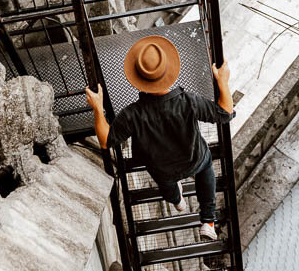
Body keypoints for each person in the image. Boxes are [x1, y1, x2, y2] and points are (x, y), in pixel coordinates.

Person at [85, 34, 234, 242]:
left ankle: (177, 201)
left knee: (167, 185)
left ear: (139, 79)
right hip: (194, 159)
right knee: (206, 163)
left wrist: (98, 109)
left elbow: (105, 140)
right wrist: (223, 81)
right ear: (168, 72)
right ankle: (208, 221)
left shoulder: (132, 114)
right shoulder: (188, 101)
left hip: (163, 170)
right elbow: (225, 113)